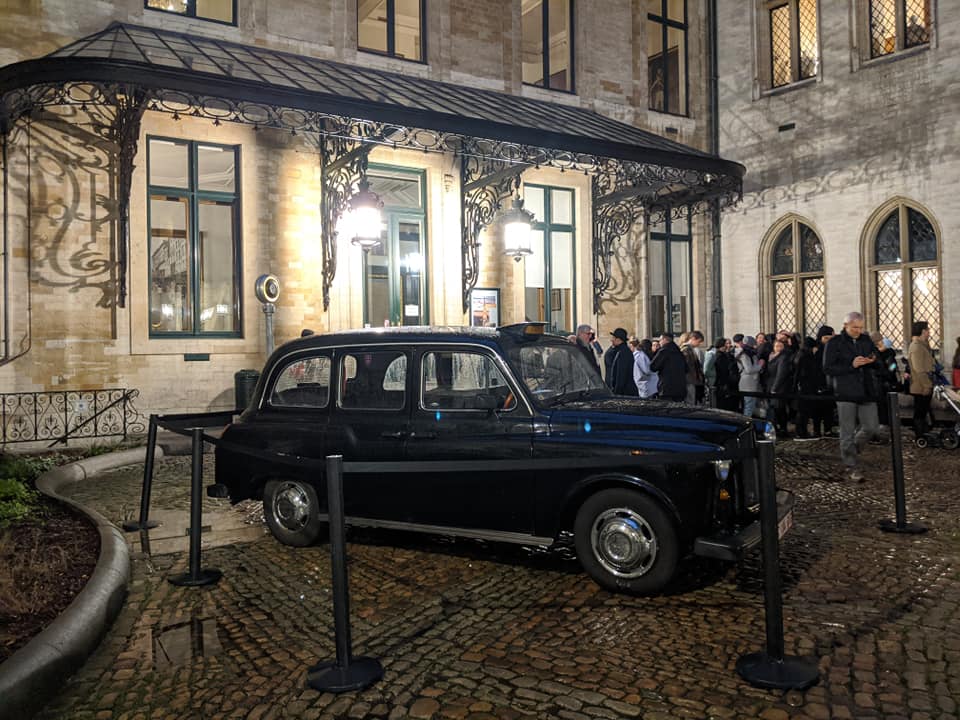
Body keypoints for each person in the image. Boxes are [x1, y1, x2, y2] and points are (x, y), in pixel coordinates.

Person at [822, 312, 879, 481]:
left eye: (861, 328)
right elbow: (827, 368)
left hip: (866, 390)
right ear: (846, 325)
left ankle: (851, 451)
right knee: (846, 430)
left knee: (871, 427)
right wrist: (851, 365)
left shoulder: (865, 340)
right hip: (845, 391)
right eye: (855, 327)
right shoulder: (834, 343)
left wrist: (872, 360)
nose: (858, 331)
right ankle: (851, 465)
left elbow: (876, 357)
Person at [907, 321, 935, 439]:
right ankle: (920, 435)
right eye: (927, 329)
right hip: (920, 386)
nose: (929, 332)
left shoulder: (923, 345)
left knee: (924, 410)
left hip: (924, 383)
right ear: (923, 331)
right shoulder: (916, 347)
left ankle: (924, 432)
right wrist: (927, 385)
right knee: (920, 411)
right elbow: (919, 369)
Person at [870, 331, 899, 427]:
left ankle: (887, 425)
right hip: (878, 385)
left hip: (886, 383)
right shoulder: (873, 353)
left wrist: (886, 373)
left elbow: (893, 367)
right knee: (881, 407)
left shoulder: (889, 353)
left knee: (887, 407)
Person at [651, 332, 686, 402]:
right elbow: (686, 368)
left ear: (665, 340)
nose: (659, 342)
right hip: (680, 388)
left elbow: (653, 367)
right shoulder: (679, 351)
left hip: (666, 387)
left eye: (660, 340)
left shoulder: (664, 351)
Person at [603, 328, 638, 396]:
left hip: (625, 392)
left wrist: (616, 392)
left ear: (618, 340)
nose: (611, 340)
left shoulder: (623, 353)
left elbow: (621, 375)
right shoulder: (621, 351)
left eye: (613, 338)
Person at [734, 335, 761, 418]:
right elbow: (749, 369)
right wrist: (760, 366)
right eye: (754, 344)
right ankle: (746, 424)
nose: (755, 346)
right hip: (748, 384)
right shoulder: (744, 354)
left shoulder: (749, 353)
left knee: (750, 405)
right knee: (749, 406)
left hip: (750, 382)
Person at [681, 330, 705, 405]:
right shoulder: (686, 350)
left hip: (691, 380)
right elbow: (687, 366)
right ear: (693, 338)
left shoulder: (690, 349)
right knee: (690, 401)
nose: (699, 344)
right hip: (688, 380)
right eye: (699, 341)